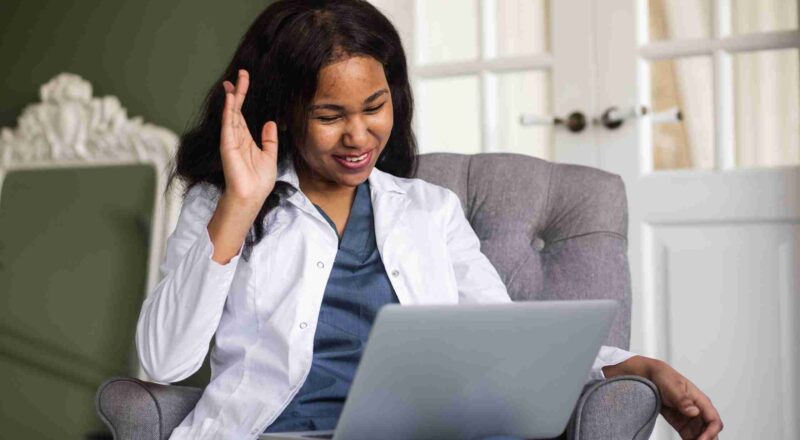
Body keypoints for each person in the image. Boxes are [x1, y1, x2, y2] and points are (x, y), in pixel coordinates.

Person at [135, 1, 723, 439]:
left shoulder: (427, 210)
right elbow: (164, 361)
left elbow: (504, 337)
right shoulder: (220, 204)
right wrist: (240, 205)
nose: (359, 136)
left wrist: (631, 363)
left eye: (375, 107)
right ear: (284, 113)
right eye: (330, 115)